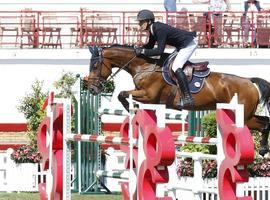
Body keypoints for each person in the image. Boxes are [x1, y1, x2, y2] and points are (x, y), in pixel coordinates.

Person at [134, 9, 197, 108]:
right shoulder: (153, 29)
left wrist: (143, 51)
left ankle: (188, 97)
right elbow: (150, 46)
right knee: (169, 63)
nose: (139, 24)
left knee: (176, 67)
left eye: (141, 22)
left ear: (149, 21)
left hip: (188, 44)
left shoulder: (158, 29)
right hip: (181, 45)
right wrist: (139, 49)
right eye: (139, 22)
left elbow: (159, 51)